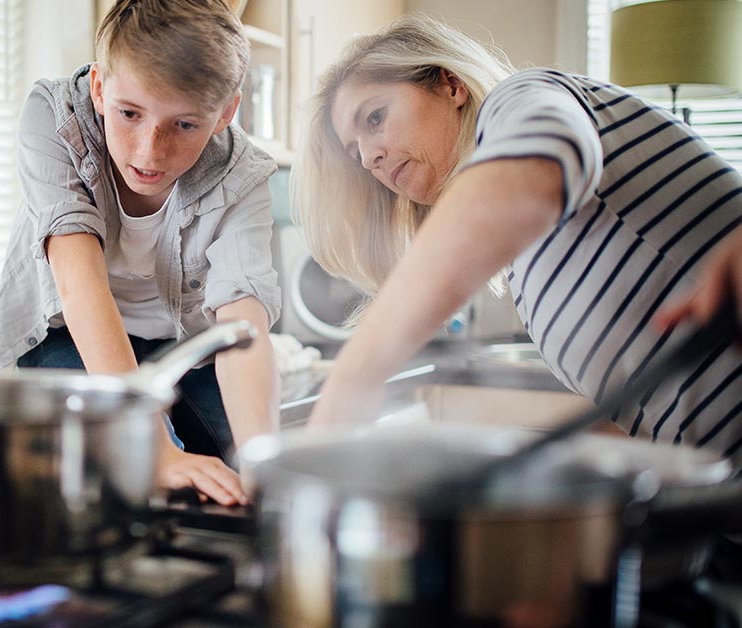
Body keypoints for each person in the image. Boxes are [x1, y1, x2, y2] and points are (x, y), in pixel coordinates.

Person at [293, 14, 742, 461]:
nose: (370, 157)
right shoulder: (528, 275)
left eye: (374, 117)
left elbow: (538, 158)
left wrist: (352, 380)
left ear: (451, 85)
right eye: (355, 153)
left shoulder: (522, 97)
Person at [0, 0, 281, 505]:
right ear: (100, 88)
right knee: (131, 466)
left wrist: (262, 462)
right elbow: (81, 285)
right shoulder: (55, 120)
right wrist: (156, 448)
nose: (148, 152)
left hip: (178, 347)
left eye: (185, 124)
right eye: (129, 114)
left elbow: (241, 325)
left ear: (225, 113)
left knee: (236, 468)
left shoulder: (242, 174)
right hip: (66, 338)